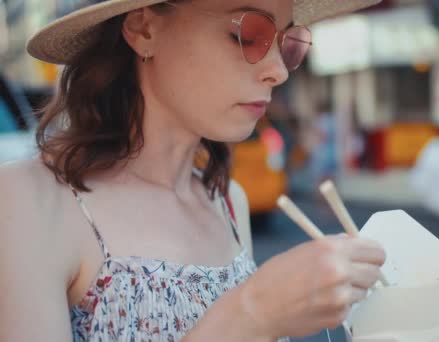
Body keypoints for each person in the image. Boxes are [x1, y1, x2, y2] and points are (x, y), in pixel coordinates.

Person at [0, 1, 386, 341]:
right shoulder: (27, 201)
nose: (278, 71)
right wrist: (253, 311)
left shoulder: (228, 200)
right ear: (143, 28)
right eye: (250, 34)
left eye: (288, 43)